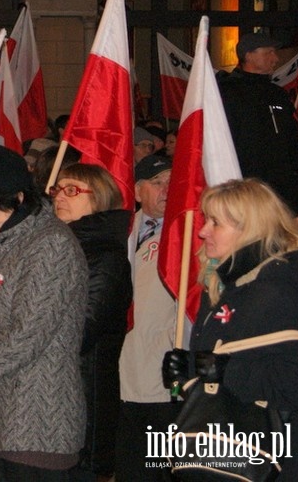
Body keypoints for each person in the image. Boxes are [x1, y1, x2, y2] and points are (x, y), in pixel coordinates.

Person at [0, 145, 88, 482]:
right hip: (6, 417)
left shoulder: (49, 245)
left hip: (38, 422)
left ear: (16, 198)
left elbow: (26, 335)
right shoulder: (8, 243)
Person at [162, 178, 298, 481]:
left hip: (263, 461)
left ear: (249, 229)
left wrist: (227, 371)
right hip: (218, 454)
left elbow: (294, 384)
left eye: (216, 223)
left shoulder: (280, 288)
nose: (202, 231)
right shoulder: (222, 285)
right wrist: (186, 376)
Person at [50, 163, 132, 482]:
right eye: (57, 189)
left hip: (83, 397)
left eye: (73, 190)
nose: (60, 196)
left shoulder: (106, 257)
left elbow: (79, 332)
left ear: (98, 199)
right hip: (53, 397)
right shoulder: (58, 246)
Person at [115, 154, 182, 481]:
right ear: (138, 191)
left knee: (159, 470)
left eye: (173, 181)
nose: (167, 189)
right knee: (128, 466)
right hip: (119, 370)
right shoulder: (120, 230)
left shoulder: (186, 236)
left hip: (161, 374)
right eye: (158, 183)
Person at [217, 33, 298, 221]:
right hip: (247, 192)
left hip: (286, 193)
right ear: (249, 55)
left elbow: (295, 141)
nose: (276, 58)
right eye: (269, 52)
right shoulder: (227, 92)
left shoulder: (278, 94)